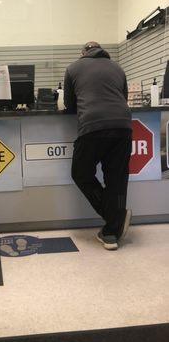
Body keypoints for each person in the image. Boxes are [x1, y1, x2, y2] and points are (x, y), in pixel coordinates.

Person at [64, 41, 132, 250]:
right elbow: (124, 97)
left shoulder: (73, 68)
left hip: (93, 126)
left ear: (83, 53)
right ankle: (112, 229)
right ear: (104, 52)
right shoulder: (118, 68)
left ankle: (115, 220)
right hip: (123, 126)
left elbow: (69, 104)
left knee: (81, 173)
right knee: (117, 180)